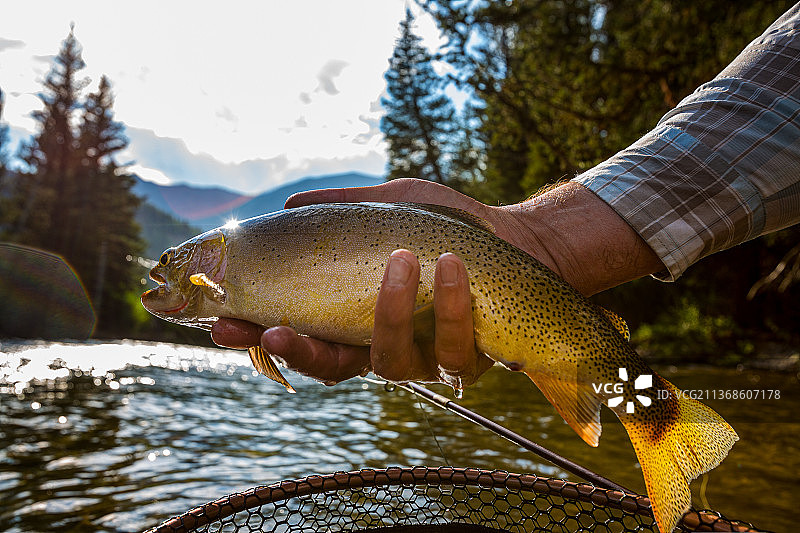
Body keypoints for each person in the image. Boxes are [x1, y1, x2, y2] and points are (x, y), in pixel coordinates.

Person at [212, 4, 800, 387]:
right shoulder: (230, 269)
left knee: (615, 383)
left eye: (170, 266)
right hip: (565, 310)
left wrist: (541, 241)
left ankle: (663, 424)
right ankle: (657, 416)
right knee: (601, 374)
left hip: (580, 329)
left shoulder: (223, 261)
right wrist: (542, 241)